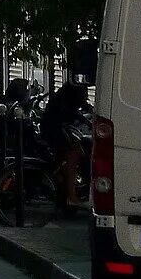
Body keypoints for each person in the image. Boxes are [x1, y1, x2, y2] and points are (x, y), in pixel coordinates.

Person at [41, 76, 91, 210]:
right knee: (74, 155)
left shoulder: (66, 93)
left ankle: (65, 183)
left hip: (53, 128)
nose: (86, 94)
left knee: (70, 154)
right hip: (54, 130)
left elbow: (83, 106)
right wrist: (83, 117)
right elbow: (69, 112)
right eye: (85, 92)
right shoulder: (69, 96)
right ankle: (71, 196)